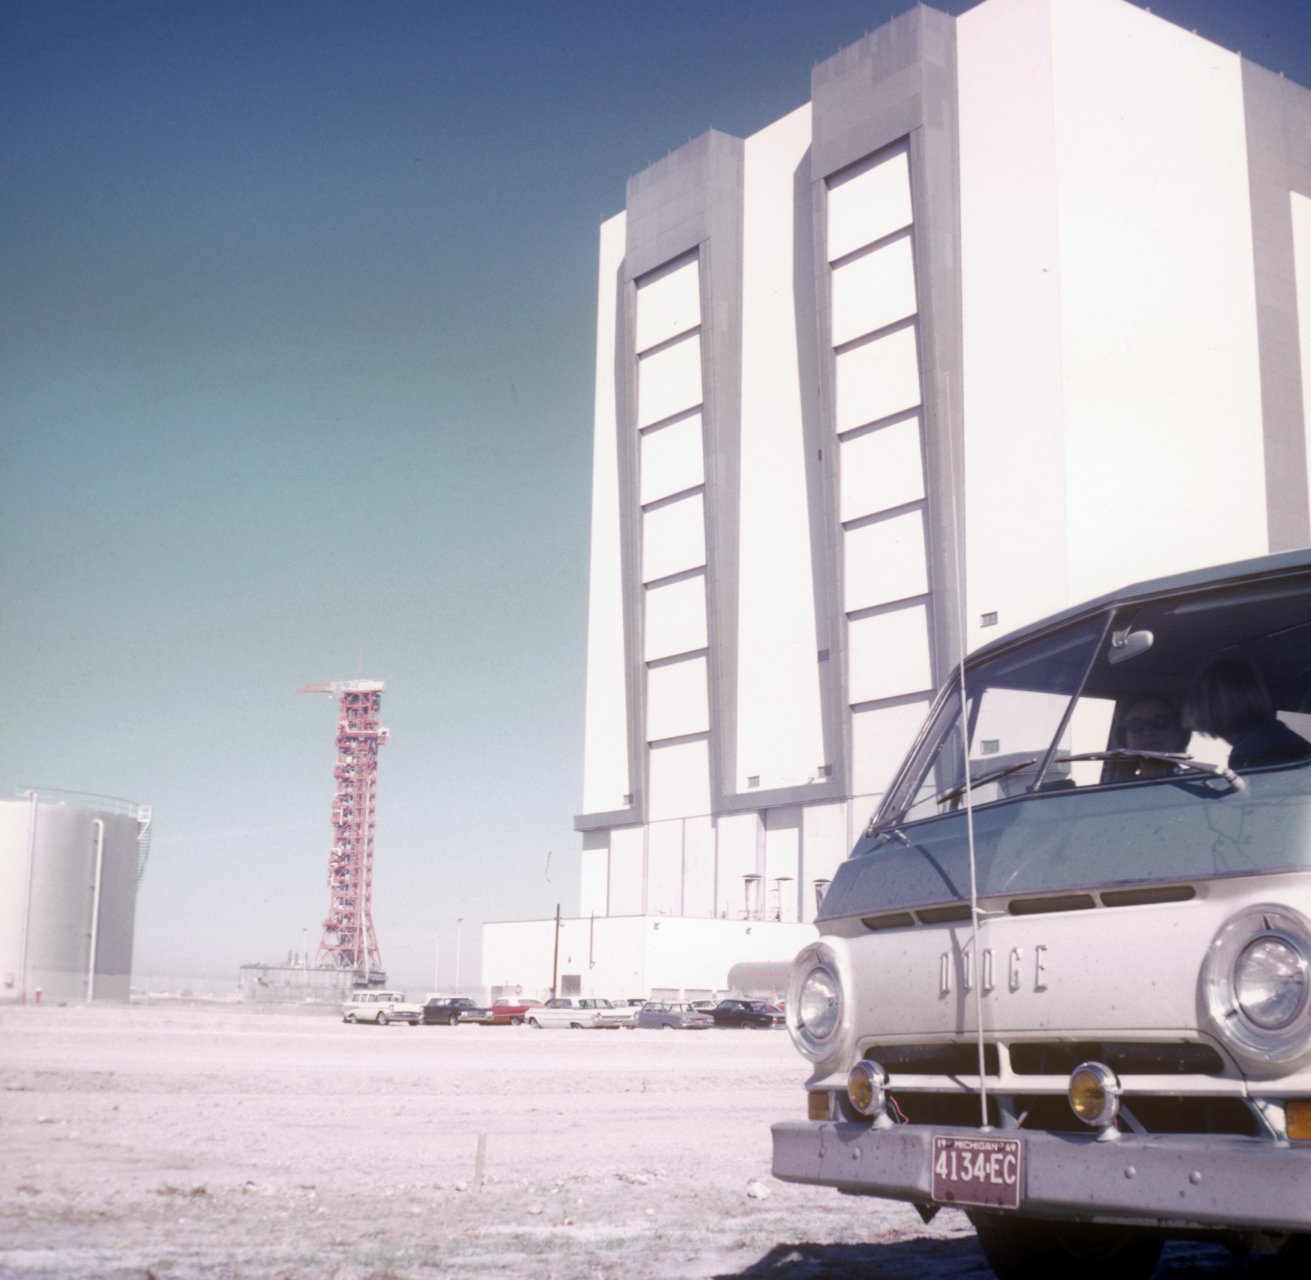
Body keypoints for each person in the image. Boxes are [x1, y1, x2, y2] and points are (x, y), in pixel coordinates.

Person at [1184, 657, 1311, 770]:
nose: (1188, 713)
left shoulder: (1254, 752)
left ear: (1211, 705)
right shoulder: (1269, 737)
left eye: (1197, 700)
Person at [1107, 695, 1190, 779]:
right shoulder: (1117, 790)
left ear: (1178, 733)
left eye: (1159, 722)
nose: (1148, 732)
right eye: (1136, 725)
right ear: (1124, 738)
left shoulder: (1198, 784)